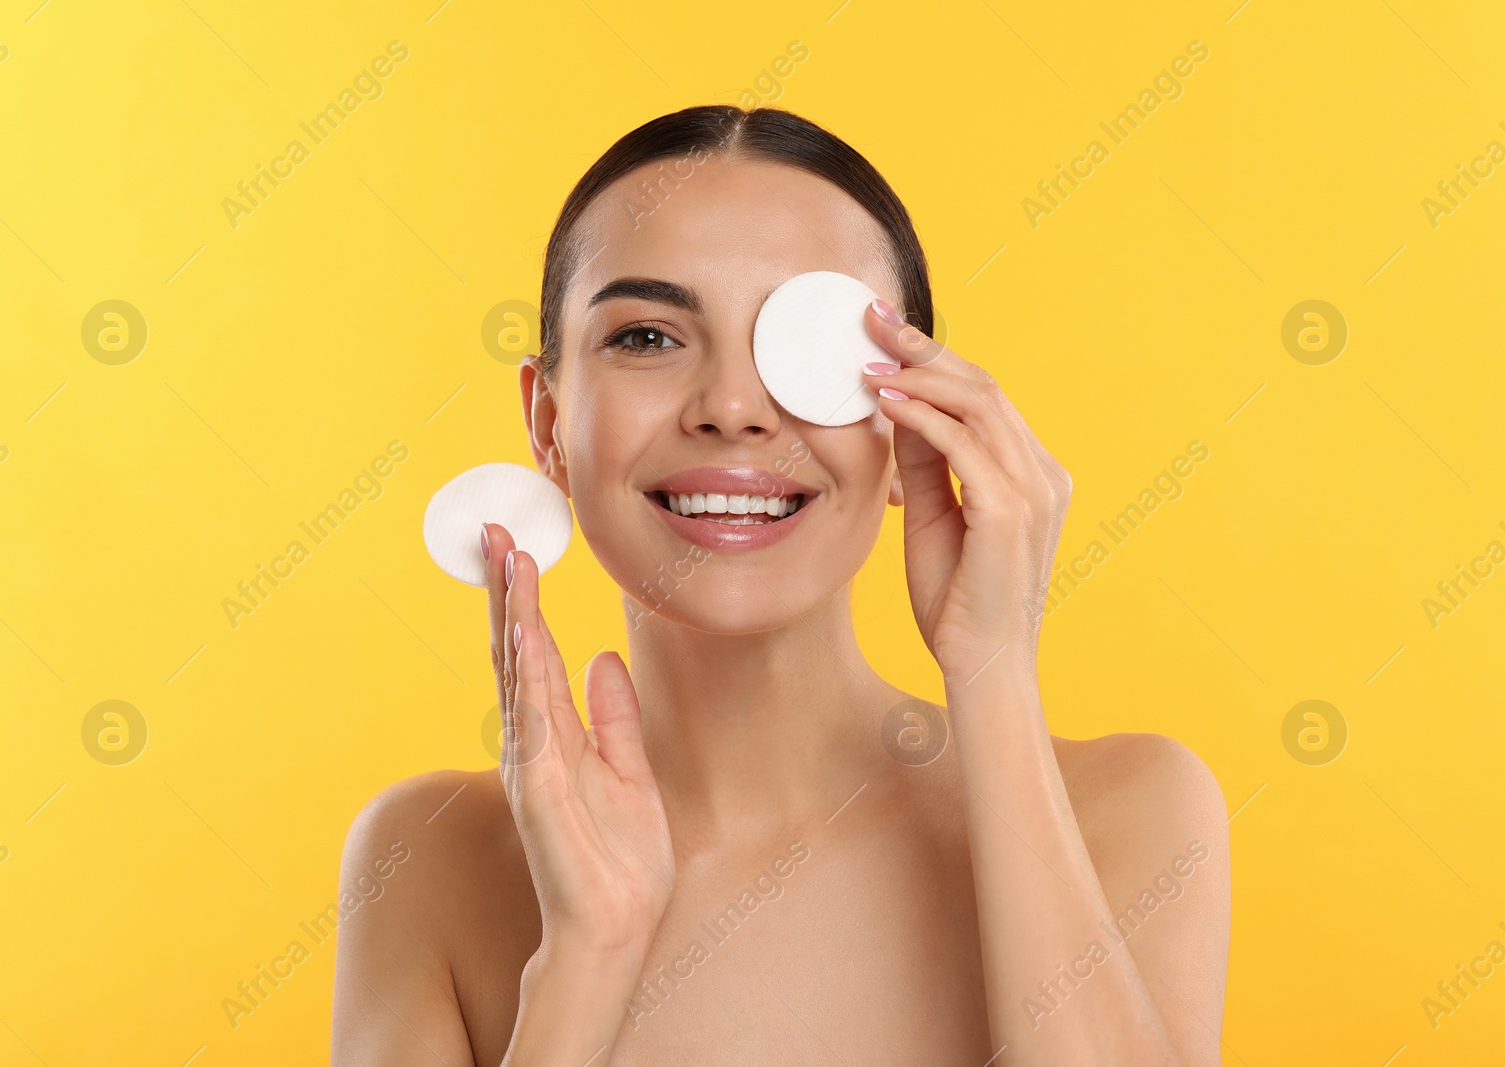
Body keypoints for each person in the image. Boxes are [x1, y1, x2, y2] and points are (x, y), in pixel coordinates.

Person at [330, 104, 1230, 1066]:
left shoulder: (1129, 811)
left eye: (809, 349)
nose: (730, 408)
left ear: (912, 421)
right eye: (647, 338)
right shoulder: (425, 863)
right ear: (548, 425)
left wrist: (995, 670)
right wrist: (587, 959)